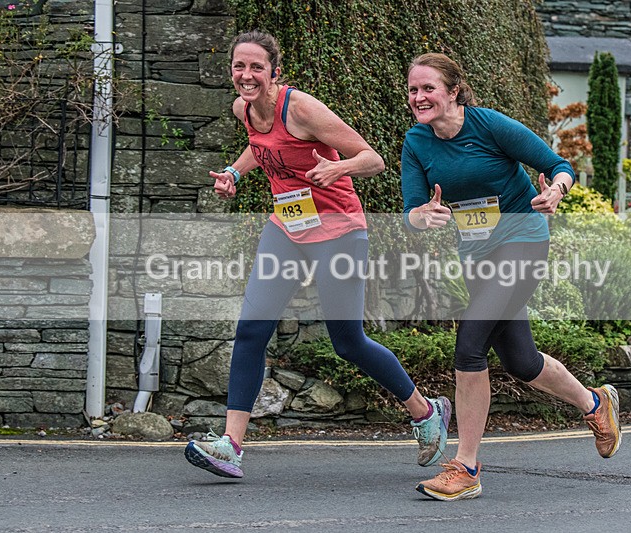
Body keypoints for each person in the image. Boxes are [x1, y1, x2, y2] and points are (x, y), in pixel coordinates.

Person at [184, 30, 451, 479]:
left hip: (338, 231)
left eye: (256, 67)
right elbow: (259, 145)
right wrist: (234, 171)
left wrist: (338, 166)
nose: (246, 75)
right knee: (251, 330)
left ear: (274, 72)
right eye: (238, 66)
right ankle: (231, 445)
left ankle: (425, 412)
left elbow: (372, 158)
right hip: (287, 227)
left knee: (348, 342)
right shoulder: (243, 109)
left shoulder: (302, 108)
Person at [401, 53, 621, 501]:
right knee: (522, 363)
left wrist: (555, 191)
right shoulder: (416, 142)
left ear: (453, 91)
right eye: (413, 90)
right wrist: (424, 216)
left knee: (470, 342)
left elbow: (561, 165)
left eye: (428, 88)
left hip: (522, 239)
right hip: (477, 256)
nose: (419, 97)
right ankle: (595, 404)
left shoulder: (488, 126)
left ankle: (465, 466)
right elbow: (410, 212)